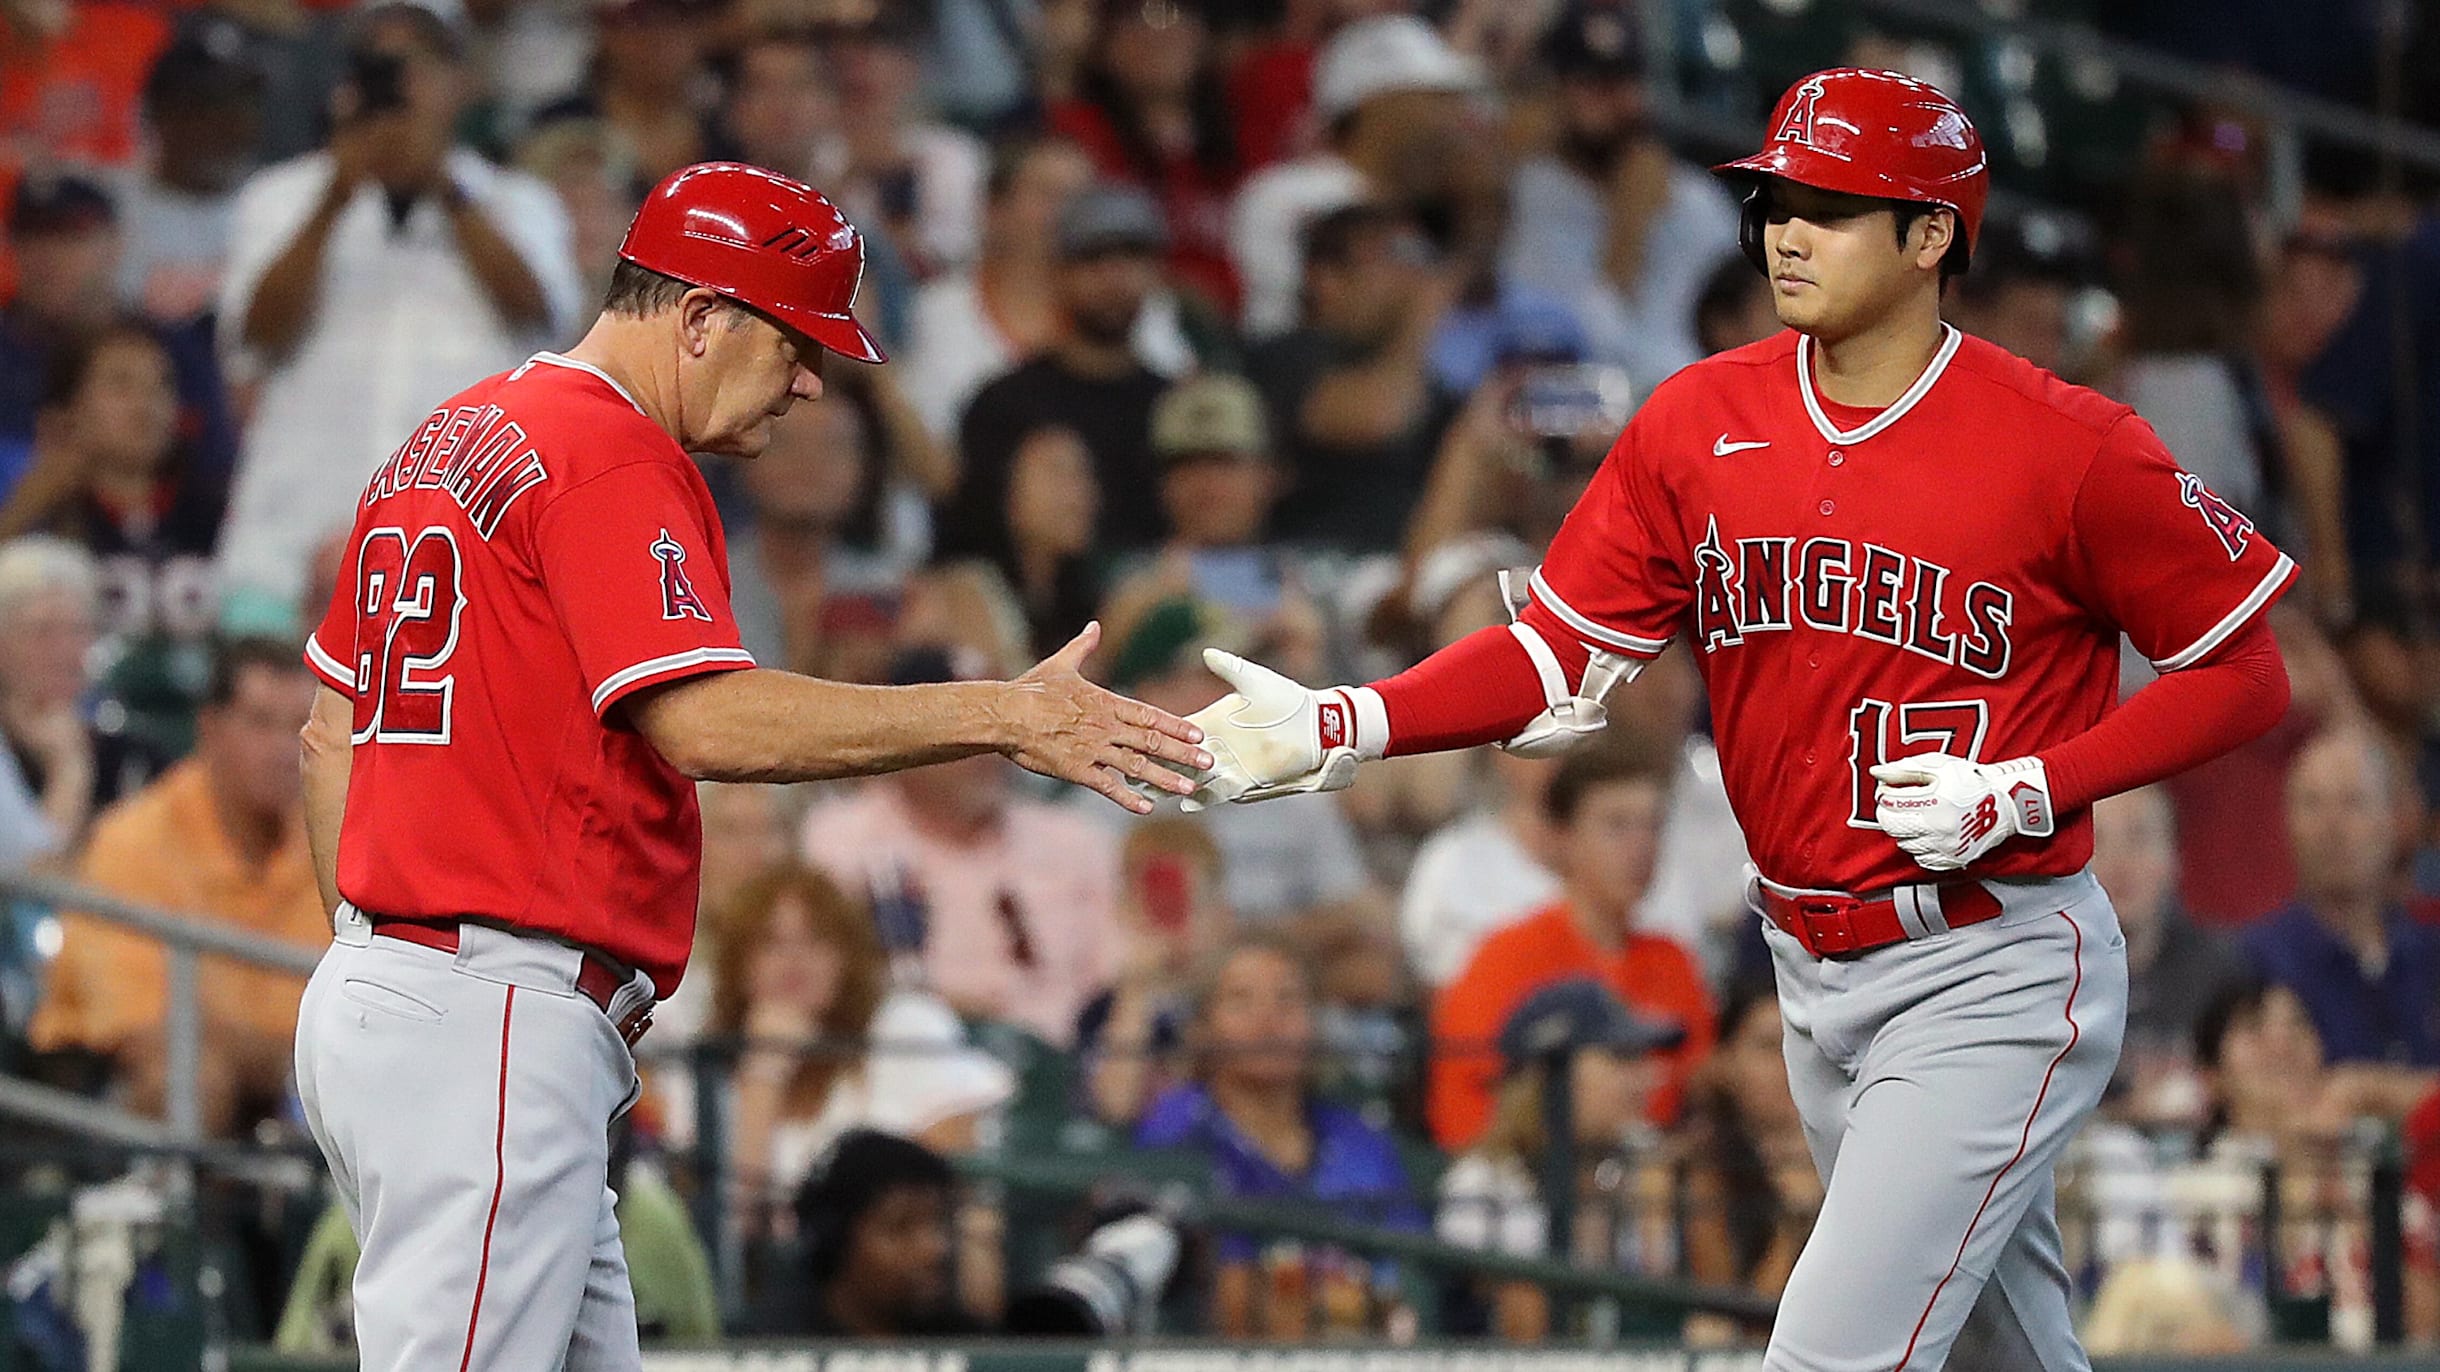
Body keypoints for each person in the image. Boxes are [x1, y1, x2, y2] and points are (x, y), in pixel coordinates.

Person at [1176, 69, 2298, 1372]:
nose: (1785, 231)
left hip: (1992, 967)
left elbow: (2247, 672)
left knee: (1828, 1357)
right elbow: (1556, 653)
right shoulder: (1698, 420)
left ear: (1933, 236)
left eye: (1829, 205)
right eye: (1773, 200)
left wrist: (2036, 786)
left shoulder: (2071, 446)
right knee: (2005, 1352)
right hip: (1807, 965)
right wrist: (1349, 721)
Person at [291, 162, 1209, 1372]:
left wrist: (382, 968)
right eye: (794, 340)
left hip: (402, 991)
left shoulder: (445, 438)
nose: (812, 378)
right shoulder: (609, 450)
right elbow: (704, 722)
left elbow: (327, 734)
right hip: (491, 1007)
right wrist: (1000, 712)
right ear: (701, 316)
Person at [215, 2, 583, 615]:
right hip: (288, 541)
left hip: (465, 552)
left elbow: (544, 325)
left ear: (459, 82)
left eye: (415, 65)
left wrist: (445, 188)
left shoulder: (519, 202)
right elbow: (252, 340)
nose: (398, 82)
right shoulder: (281, 197)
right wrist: (337, 194)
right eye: (380, 65)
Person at [26, 638, 321, 1136]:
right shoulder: (133, 841)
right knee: (191, 1076)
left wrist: (249, 1044)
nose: (282, 749)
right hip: (96, 1087)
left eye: (299, 727)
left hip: (281, 1090)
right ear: (211, 728)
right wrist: (278, 1052)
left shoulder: (326, 841)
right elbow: (145, 1032)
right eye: (261, 723)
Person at [666, 863, 1013, 1254]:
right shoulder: (707, 1063)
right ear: (738, 966)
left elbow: (949, 1180)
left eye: (816, 940)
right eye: (770, 942)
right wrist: (764, 1073)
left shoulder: (906, 1026)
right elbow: (730, 1234)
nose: (794, 959)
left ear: (848, 956)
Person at [798, 646, 1123, 1044]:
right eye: (967, 732)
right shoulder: (839, 840)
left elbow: (1112, 982)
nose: (986, 751)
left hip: (1061, 1073)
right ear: (905, 740)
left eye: (1001, 727)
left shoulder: (1074, 841)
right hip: (905, 1066)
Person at [1135, 930, 1427, 1341]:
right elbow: (1225, 1297)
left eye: (1288, 999)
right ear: (1202, 1027)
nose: (1268, 1018)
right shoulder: (1179, 1126)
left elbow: (1408, 1277)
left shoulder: (1360, 1138)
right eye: (1240, 1000)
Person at [1427, 732, 1715, 1145]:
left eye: (1653, 825)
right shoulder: (1504, 957)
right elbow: (1461, 1110)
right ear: (1562, 836)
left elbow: (1698, 1100)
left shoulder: (1674, 961)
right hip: (1538, 1181)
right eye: (1616, 825)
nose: (1641, 847)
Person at [4, 324, 227, 759]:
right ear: (68, 411)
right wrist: (32, 502)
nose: (145, 404)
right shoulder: (42, 515)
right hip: (73, 745)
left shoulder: (218, 512)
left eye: (161, 386)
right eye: (120, 384)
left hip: (203, 745)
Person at [1499, 0, 1740, 392]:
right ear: (1556, 90)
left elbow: (1746, 327)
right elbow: (1568, 355)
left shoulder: (1693, 198)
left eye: (1624, 81)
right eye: (1592, 84)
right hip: (1592, 415)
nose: (1613, 102)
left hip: (1702, 409)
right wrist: (1628, 231)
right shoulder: (1531, 197)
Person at [936, 183, 1174, 563]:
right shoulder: (1004, 405)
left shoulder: (1173, 405)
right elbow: (971, 543)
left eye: (1132, 256)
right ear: (1057, 273)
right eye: (1093, 258)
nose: (1114, 278)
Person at [1435, 979, 1679, 1342]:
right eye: (1621, 1058)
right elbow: (1527, 1326)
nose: (1646, 1078)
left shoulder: (1646, 1159)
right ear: (1549, 1075)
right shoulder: (1485, 1181)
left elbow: (1673, 1306)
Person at [1228, 13, 1481, 339]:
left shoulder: (1437, 208)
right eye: (1431, 96)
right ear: (1375, 102)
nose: (1449, 116)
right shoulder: (1286, 196)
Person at [1245, 202, 1459, 553]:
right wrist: (1423, 312)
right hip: (1303, 565)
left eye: (1346, 268)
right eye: (1318, 265)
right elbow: (1374, 418)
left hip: (1401, 575)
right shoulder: (1283, 358)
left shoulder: (1441, 394)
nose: (1323, 285)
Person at [2243, 727, 2440, 1067]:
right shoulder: (2257, 961)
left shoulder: (2430, 952)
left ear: (2391, 822)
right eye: (2313, 804)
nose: (2332, 827)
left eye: (2353, 802)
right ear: (2287, 824)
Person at [1049, 0, 1243, 314]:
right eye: (1138, 18)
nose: (1160, 33)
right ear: (1104, 43)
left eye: (1175, 13)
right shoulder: (1079, 133)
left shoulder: (1241, 127)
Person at [2093, 785, 2245, 1124]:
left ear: (2175, 858)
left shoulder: (2222, 972)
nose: (2119, 863)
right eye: (2097, 840)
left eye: (2139, 837)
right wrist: (2128, 1115)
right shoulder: (2039, 976)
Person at [1677, 989, 1820, 1345]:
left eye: (1802, 1041)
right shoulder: (1705, 1166)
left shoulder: (1856, 1150)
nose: (1788, 1060)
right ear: (1724, 1062)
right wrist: (1794, 1226)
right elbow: (1735, 1320)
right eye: (1768, 1046)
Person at [1074, 816, 1231, 1128]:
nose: (1170, 929)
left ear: (1223, 915)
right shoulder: (1105, 1013)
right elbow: (1116, 1107)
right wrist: (1137, 992)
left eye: (1186, 906)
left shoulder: (1240, 1000)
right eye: (1154, 907)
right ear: (1124, 912)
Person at [757, 1128, 990, 1336]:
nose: (936, 1248)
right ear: (836, 1236)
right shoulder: (768, 1347)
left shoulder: (974, 1344)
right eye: (902, 1227)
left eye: (941, 1224)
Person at [113, 21, 267, 328]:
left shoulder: (277, 204)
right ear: (158, 113)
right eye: (206, 108)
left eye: (242, 104)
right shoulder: (106, 206)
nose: (229, 125)